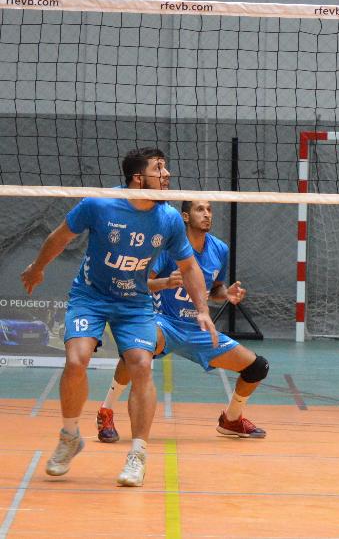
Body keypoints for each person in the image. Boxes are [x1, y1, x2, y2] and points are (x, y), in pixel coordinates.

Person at [21, 148, 215, 487]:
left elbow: (189, 266)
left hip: (135, 303)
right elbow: (60, 236)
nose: (167, 174)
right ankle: (70, 437)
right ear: (138, 179)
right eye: (159, 168)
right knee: (76, 360)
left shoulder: (169, 218)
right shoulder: (98, 205)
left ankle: (138, 454)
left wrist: (203, 310)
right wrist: (37, 269)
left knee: (141, 364)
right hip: (91, 296)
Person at [95, 200, 269, 443]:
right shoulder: (168, 248)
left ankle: (231, 419)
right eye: (200, 209)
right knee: (136, 348)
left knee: (257, 367)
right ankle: (106, 410)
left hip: (198, 329)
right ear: (185, 217)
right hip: (164, 323)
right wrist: (166, 282)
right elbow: (138, 284)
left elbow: (214, 289)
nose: (207, 214)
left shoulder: (219, 249)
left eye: (209, 209)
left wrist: (226, 295)